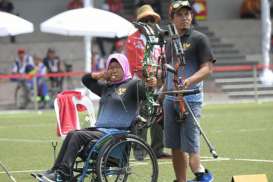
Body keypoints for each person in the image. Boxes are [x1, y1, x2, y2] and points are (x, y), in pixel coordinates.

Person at [40, 53, 157, 181]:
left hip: (116, 134)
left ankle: (63, 175)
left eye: (118, 67)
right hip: (100, 132)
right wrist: (100, 75)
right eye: (111, 68)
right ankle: (55, 171)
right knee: (72, 133)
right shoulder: (106, 88)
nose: (114, 70)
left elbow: (146, 89)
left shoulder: (133, 85)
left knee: (77, 135)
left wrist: (151, 83)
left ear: (124, 67)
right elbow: (86, 80)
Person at [164, 1, 215, 182]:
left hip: (190, 99)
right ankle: (181, 180)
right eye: (180, 14)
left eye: (187, 14)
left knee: (191, 147)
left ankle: (202, 176)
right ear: (172, 18)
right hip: (170, 99)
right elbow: (167, 74)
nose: (185, 17)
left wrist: (189, 81)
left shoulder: (199, 38)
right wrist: (161, 97)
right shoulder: (169, 42)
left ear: (192, 16)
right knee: (175, 147)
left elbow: (207, 68)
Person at [125, 4, 170, 159]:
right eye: (145, 19)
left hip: (159, 83)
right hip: (141, 83)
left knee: (158, 115)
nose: (149, 21)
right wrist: (151, 77)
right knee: (142, 116)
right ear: (139, 22)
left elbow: (164, 60)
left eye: (151, 19)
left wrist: (162, 76)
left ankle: (158, 149)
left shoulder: (159, 38)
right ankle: (139, 150)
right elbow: (135, 65)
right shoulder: (133, 39)